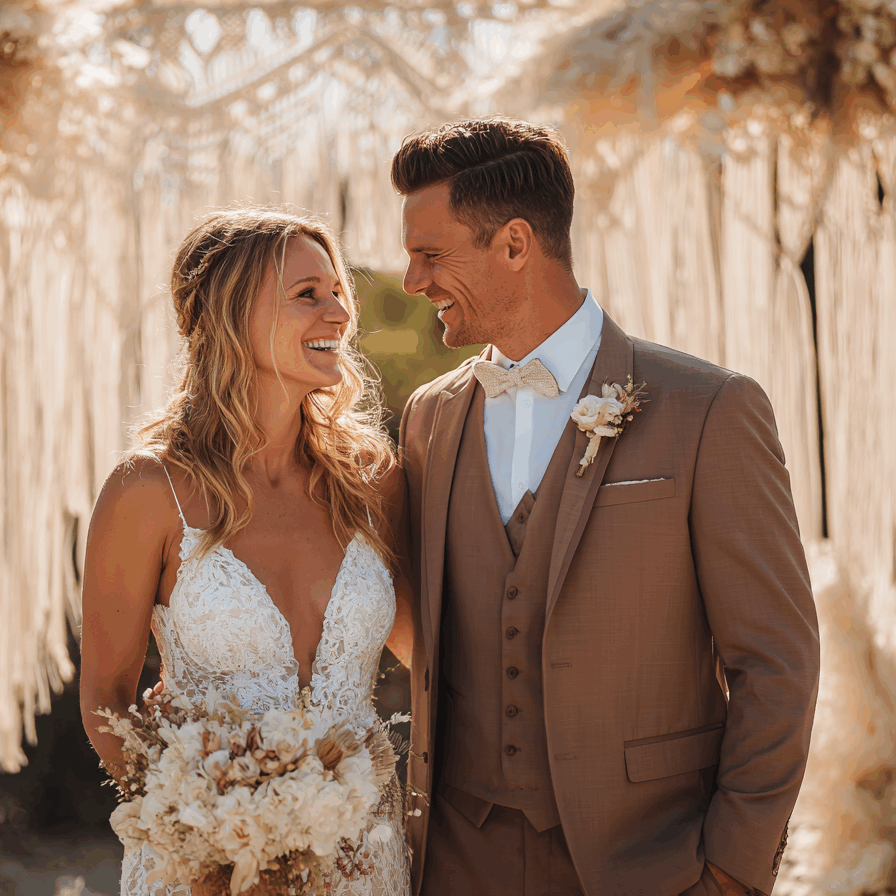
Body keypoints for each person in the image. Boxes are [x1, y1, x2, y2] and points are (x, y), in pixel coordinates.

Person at [394, 118, 820, 896]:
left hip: (649, 861)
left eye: (431, 255)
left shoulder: (709, 409)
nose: (410, 281)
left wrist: (732, 868)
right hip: (456, 860)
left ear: (514, 244)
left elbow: (775, 662)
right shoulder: (429, 417)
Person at [79, 206, 413, 896]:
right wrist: (202, 839)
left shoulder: (374, 480)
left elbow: (430, 657)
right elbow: (107, 698)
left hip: (365, 860)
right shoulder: (148, 491)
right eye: (307, 294)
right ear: (232, 316)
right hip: (205, 871)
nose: (339, 313)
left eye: (337, 291)